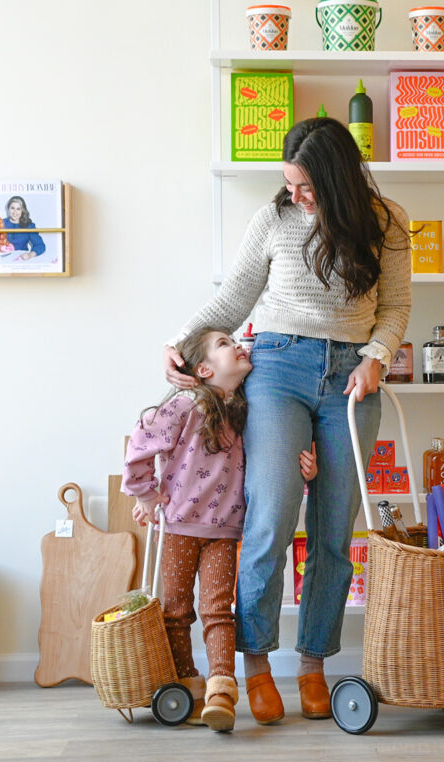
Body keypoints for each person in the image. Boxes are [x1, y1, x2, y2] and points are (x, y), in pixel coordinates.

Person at [163, 116, 410, 725]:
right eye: (290, 183)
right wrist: (180, 342)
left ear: (338, 179)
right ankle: (255, 664)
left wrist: (377, 357)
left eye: (307, 186)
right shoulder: (273, 219)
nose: (295, 196)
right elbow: (234, 297)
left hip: (351, 378)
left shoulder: (385, 222)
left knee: (334, 530)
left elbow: (396, 305)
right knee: (271, 516)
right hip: (277, 369)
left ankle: (313, 664)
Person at [124, 325, 318, 731]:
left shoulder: (247, 414)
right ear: (205, 370)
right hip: (179, 527)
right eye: (225, 344)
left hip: (224, 532)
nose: (239, 346)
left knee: (217, 611)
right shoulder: (185, 405)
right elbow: (141, 440)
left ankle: (221, 691)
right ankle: (188, 688)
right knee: (176, 612)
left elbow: (270, 463)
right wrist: (144, 496)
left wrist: (304, 472)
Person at [0, 195, 45, 260]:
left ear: (22, 210)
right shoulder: (0, 223)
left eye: (18, 209)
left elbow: (40, 245)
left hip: (22, 259)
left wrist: (30, 255)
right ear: (8, 208)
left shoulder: (29, 226)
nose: (15, 212)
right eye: (12, 208)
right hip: (3, 259)